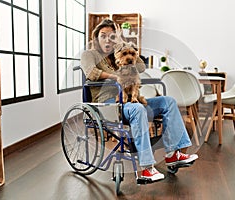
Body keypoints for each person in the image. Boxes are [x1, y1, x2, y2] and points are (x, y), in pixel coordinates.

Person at [81, 19, 198, 181]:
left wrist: (122, 43)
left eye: (112, 36)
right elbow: (90, 73)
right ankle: (146, 168)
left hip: (131, 100)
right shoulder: (89, 54)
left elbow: (141, 67)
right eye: (103, 36)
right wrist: (116, 76)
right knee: (138, 109)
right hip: (108, 103)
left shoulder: (121, 51)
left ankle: (173, 154)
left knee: (168, 101)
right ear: (96, 38)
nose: (108, 39)